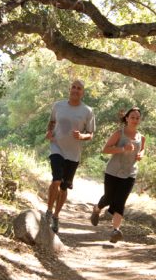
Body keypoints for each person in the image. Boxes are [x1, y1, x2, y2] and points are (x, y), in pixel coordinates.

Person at [45, 79, 95, 233]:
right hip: (57, 147)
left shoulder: (87, 111)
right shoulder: (58, 105)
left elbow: (91, 134)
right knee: (56, 179)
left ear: (82, 92)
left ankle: (56, 216)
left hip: (73, 154)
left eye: (79, 88)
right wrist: (49, 131)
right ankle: (48, 211)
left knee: (64, 186)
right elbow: (52, 122)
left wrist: (81, 136)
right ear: (69, 89)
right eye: (73, 87)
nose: (75, 90)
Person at [90, 107, 145, 243]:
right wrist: (122, 149)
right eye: (132, 117)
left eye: (137, 118)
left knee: (120, 201)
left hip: (130, 173)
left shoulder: (141, 137)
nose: (135, 120)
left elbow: (142, 150)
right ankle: (97, 209)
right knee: (109, 198)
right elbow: (105, 150)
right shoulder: (119, 134)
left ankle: (116, 230)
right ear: (127, 118)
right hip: (113, 172)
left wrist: (140, 155)